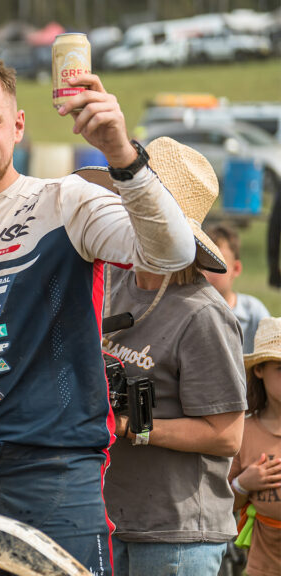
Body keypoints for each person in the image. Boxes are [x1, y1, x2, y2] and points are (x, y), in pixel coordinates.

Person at [0, 57, 195, 574]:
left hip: (53, 477)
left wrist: (122, 154)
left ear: (18, 126)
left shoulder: (66, 203)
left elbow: (171, 253)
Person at [94, 140, 246, 575]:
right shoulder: (111, 284)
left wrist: (129, 427)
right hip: (109, 518)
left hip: (177, 535)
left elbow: (227, 435)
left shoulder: (202, 313)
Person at [230, 316, 281, 576]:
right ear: (259, 370)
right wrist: (244, 484)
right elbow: (227, 502)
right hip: (263, 564)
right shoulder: (244, 432)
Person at [203, 224, 271, 354]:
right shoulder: (191, 314)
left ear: (236, 268)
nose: (204, 272)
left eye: (213, 263)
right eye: (201, 263)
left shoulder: (253, 313)